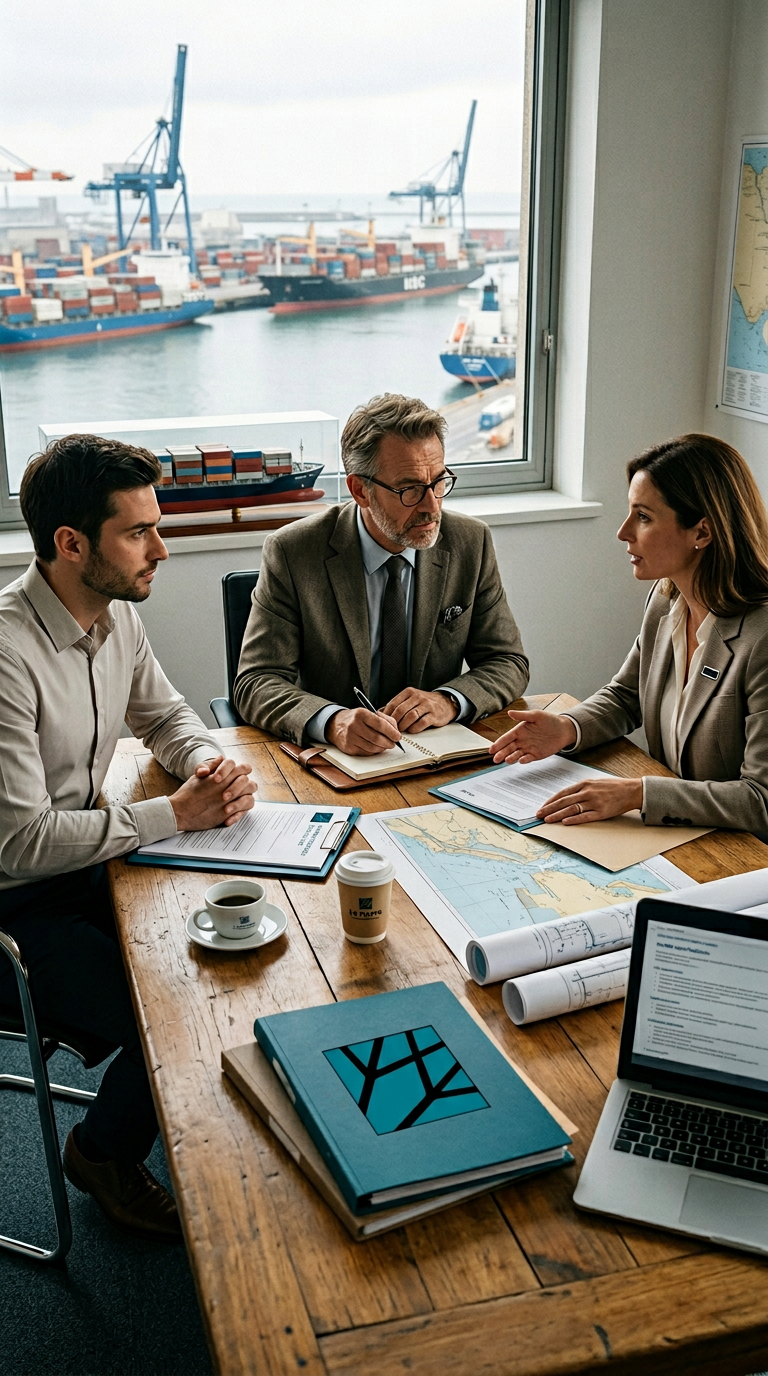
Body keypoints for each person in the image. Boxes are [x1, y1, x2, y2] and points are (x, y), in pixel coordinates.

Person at [0, 434, 257, 1241]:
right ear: (70, 544)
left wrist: (207, 764)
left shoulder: (113, 616)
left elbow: (165, 714)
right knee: (177, 1010)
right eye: (138, 532)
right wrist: (174, 815)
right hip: (12, 908)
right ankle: (102, 1152)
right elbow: (16, 846)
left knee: (229, 953)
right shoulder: (5, 653)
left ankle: (143, 1114)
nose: (162, 549)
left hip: (84, 864)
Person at [489, 433, 768, 836]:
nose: (623, 532)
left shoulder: (760, 638)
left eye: (644, 517)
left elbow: (760, 800)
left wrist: (638, 794)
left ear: (702, 534)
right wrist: (568, 727)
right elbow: (628, 695)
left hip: (742, 856)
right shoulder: (666, 597)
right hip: (676, 834)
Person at [234, 393, 529, 753]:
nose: (431, 506)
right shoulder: (293, 552)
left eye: (438, 482)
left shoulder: (470, 542)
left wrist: (448, 701)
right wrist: (332, 722)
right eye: (409, 489)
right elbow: (256, 682)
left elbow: (508, 661)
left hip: (433, 753)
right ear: (361, 490)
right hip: (338, 764)